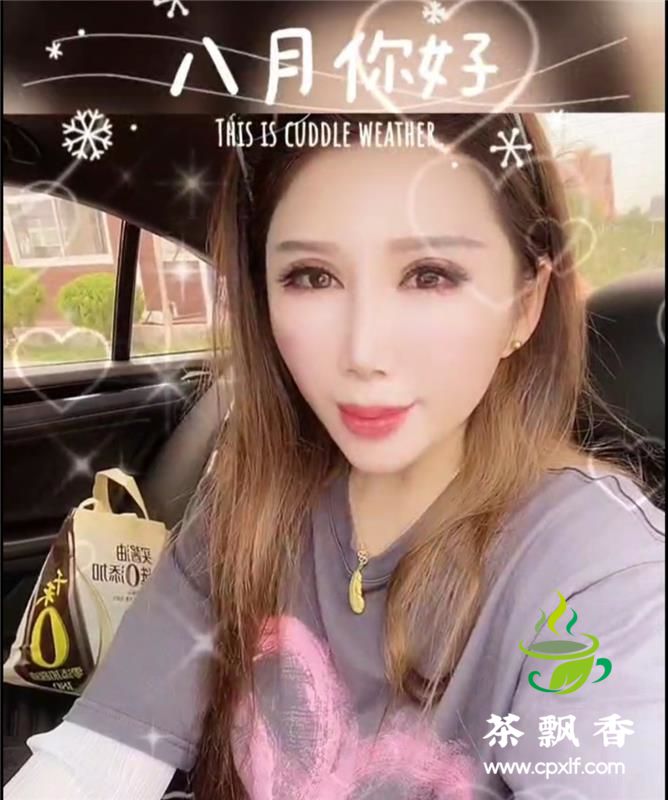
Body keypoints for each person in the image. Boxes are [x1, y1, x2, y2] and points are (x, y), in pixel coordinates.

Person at [5, 113, 665, 800]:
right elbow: (93, 764)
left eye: (430, 275)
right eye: (312, 276)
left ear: (525, 306)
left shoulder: (602, 570)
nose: (363, 352)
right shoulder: (247, 512)